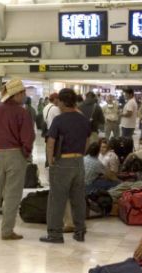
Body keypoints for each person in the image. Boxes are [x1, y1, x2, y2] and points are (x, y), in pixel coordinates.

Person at [0, 79, 36, 240]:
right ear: (17, 94)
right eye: (24, 93)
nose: (25, 96)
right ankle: (7, 231)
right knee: (12, 194)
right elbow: (28, 136)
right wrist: (26, 153)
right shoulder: (22, 112)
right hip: (15, 154)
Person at [41, 88, 90, 244]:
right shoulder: (83, 119)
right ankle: (80, 232)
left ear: (61, 102)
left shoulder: (59, 120)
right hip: (79, 162)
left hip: (62, 162)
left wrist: (51, 161)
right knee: (78, 199)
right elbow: (87, 141)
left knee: (57, 199)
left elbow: (51, 143)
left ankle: (55, 234)